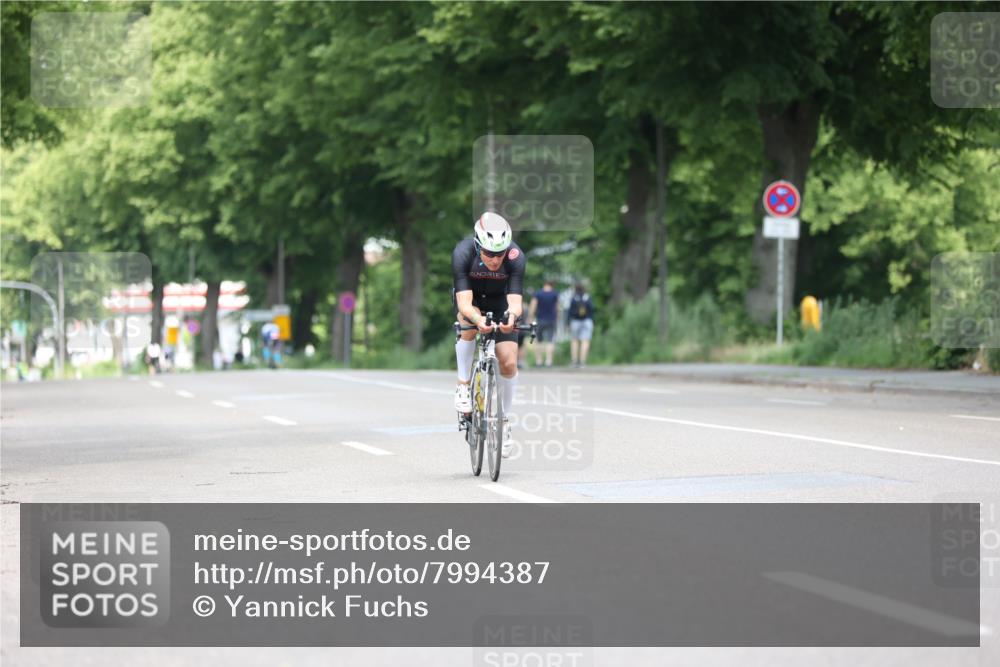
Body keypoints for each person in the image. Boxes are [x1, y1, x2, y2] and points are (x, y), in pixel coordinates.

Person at [452, 212, 526, 458]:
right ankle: (463, 384)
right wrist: (477, 319)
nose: (496, 259)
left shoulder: (515, 257)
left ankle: (504, 421)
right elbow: (463, 303)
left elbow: (515, 302)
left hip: (500, 303)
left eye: (500, 253)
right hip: (471, 301)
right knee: (468, 325)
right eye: (490, 254)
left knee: (509, 362)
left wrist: (512, 318)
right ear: (477, 245)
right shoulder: (463, 253)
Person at [529, 279, 559, 367]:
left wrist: (531, 317)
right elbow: (557, 308)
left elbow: (533, 306)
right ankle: (549, 361)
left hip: (540, 319)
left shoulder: (538, 293)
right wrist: (557, 317)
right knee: (550, 341)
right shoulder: (555, 294)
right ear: (552, 285)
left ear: (544, 284)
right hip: (551, 320)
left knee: (538, 340)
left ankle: (539, 361)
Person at [567, 283, 594, 368]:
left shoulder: (574, 298)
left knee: (574, 341)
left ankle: (574, 361)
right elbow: (592, 310)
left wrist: (568, 323)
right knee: (585, 341)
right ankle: (583, 361)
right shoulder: (587, 297)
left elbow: (570, 312)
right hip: (587, 321)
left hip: (575, 321)